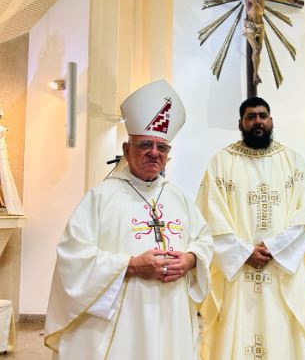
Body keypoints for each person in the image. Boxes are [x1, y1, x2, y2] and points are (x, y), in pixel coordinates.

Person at [44, 80, 213, 360]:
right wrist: (131, 266)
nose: (154, 152)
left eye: (162, 147)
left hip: (172, 313)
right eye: (145, 144)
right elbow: (72, 257)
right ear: (126, 148)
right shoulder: (101, 197)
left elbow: (204, 239)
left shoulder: (178, 198)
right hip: (121, 318)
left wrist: (192, 259)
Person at [196, 96, 305, 360]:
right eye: (251, 117)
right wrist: (244, 252)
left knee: (283, 335)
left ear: (271, 121)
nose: (257, 121)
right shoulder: (221, 162)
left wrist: (274, 247)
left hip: (282, 272)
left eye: (262, 115)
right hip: (238, 274)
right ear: (240, 123)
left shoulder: (293, 162)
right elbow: (209, 217)